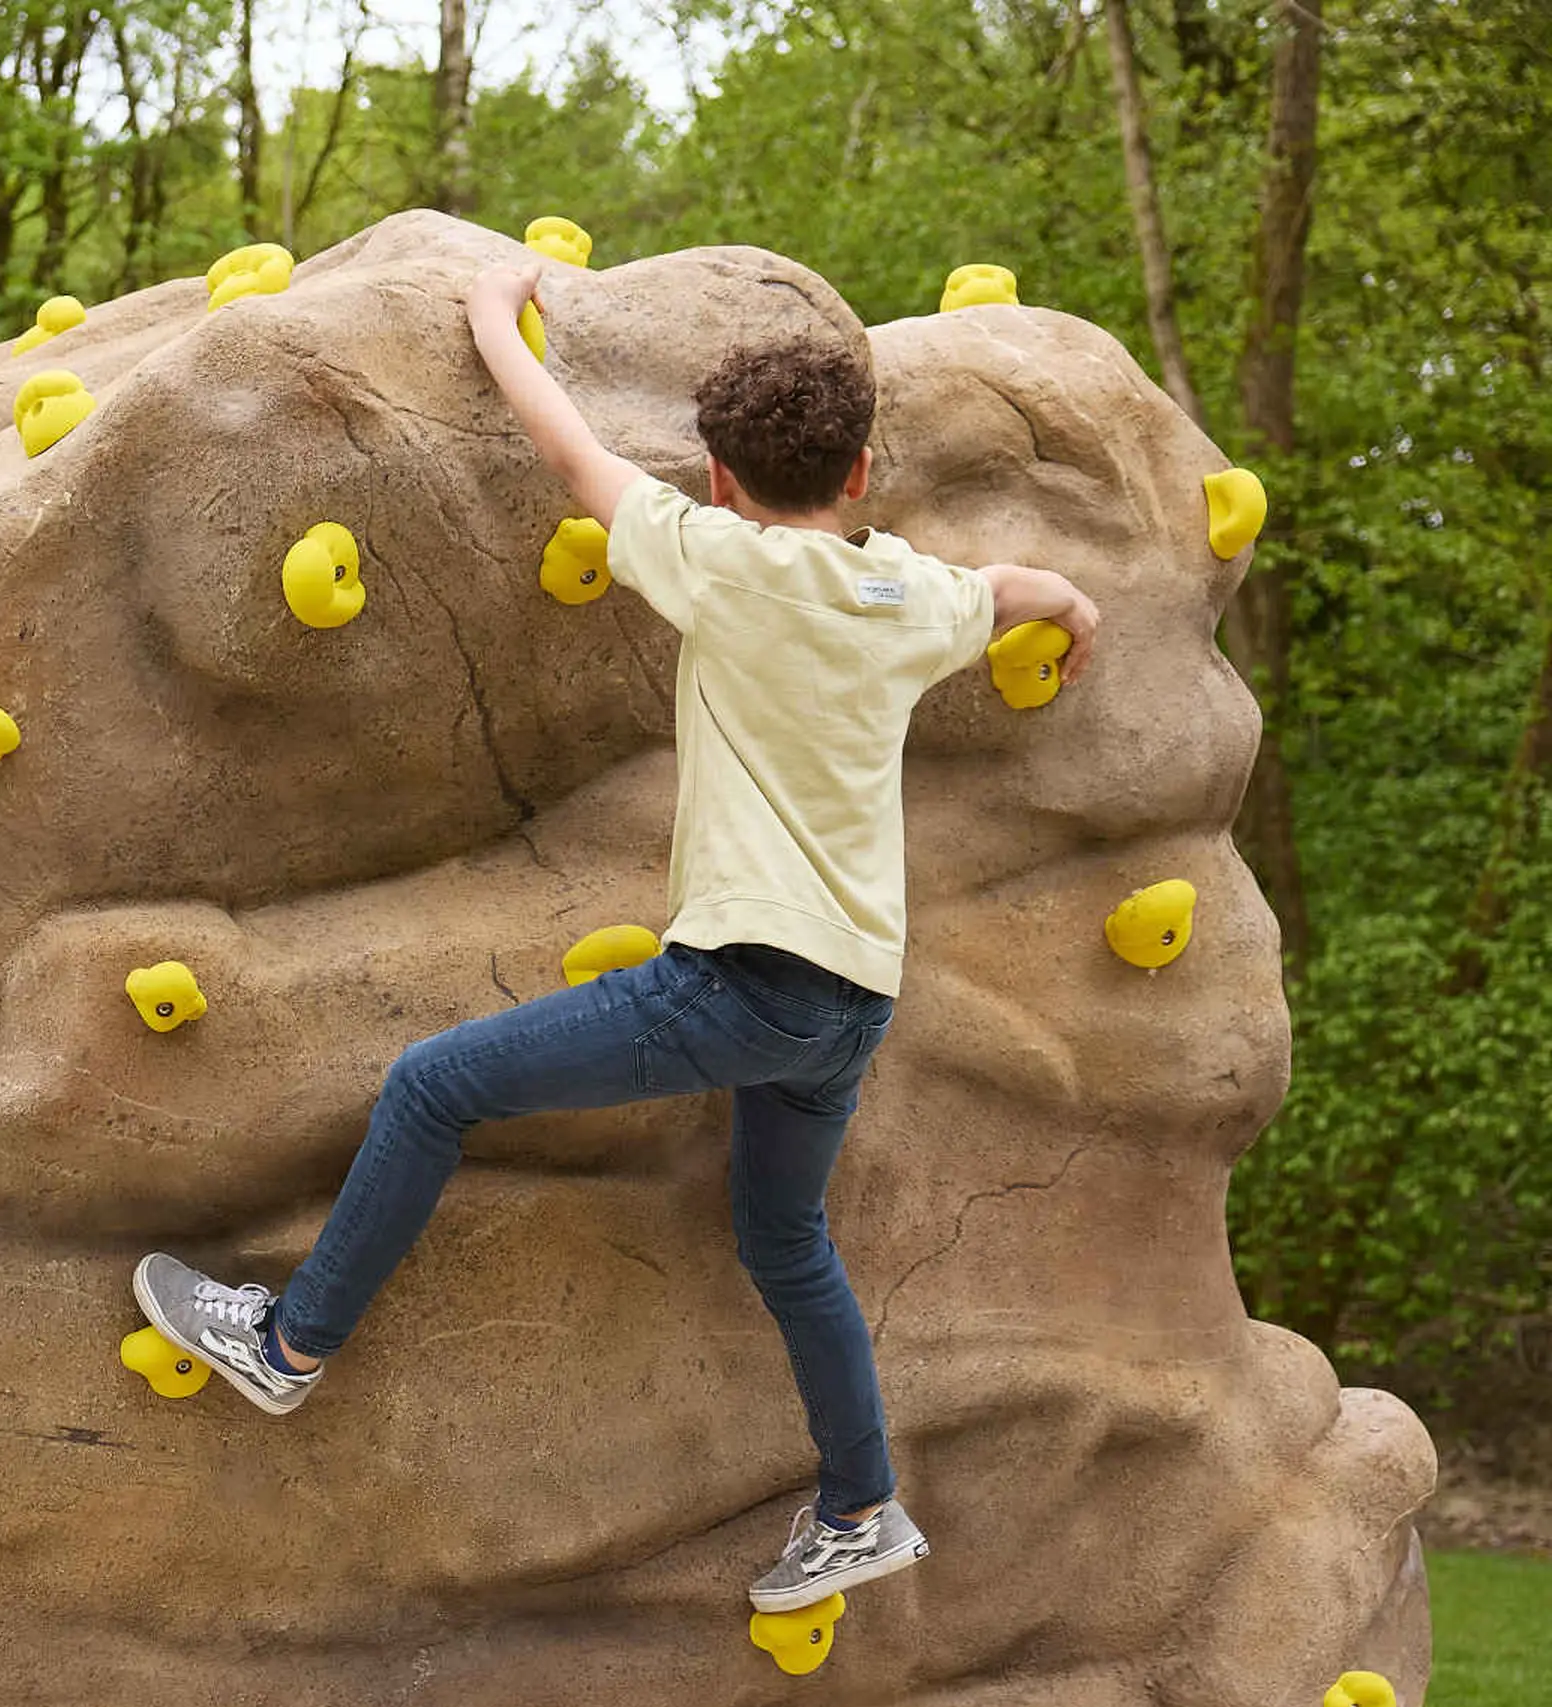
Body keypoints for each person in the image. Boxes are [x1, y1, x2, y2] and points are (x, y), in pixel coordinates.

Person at [132, 262, 1106, 1613]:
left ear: (719, 483)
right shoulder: (906, 601)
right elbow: (1005, 585)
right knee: (781, 1237)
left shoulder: (726, 564)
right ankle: (862, 1503)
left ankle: (290, 1346)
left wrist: (490, 328)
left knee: (434, 1084)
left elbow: (573, 455)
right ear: (862, 473)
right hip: (849, 1005)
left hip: (742, 983)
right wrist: (1071, 608)